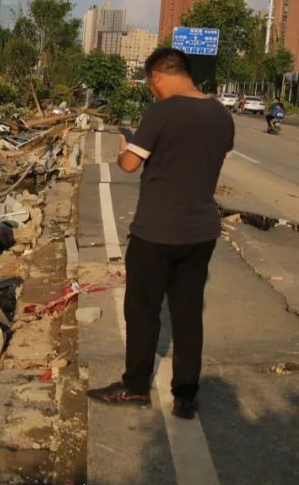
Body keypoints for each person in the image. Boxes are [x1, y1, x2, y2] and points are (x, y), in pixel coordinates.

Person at [88, 47, 234, 419]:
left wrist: (125, 147)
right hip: (201, 232)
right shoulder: (221, 114)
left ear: (158, 77)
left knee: (143, 310)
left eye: (152, 84)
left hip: (156, 232)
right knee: (187, 314)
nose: (153, 91)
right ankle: (186, 395)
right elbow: (198, 157)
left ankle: (136, 387)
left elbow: (130, 164)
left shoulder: (161, 111)